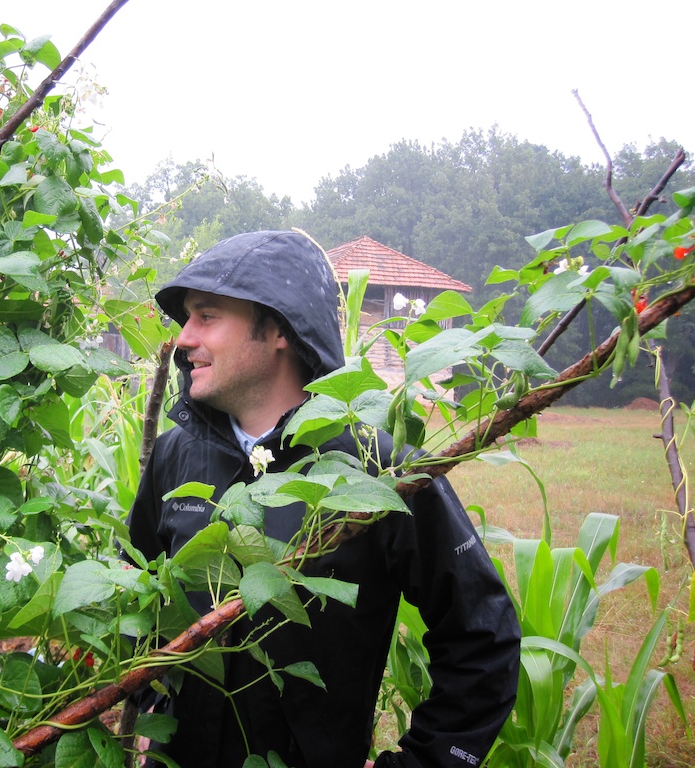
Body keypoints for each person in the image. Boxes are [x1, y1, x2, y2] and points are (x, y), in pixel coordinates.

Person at [126, 230, 521, 768]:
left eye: (207, 316)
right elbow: (140, 595)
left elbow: (482, 636)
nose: (184, 338)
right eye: (187, 318)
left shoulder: (378, 467)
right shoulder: (175, 456)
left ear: (279, 329)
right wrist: (152, 705)